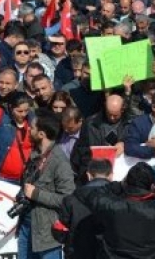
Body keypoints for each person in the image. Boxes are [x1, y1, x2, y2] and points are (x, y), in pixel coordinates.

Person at [16, 109, 75, 259]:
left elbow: (67, 199)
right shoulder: (34, 155)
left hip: (47, 233)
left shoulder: (59, 161)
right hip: (26, 225)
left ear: (41, 134)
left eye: (33, 128)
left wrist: (36, 194)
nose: (29, 130)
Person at [52, 158, 112, 259]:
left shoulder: (71, 200)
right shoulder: (119, 200)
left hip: (77, 253)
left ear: (88, 175)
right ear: (111, 176)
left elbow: (59, 231)